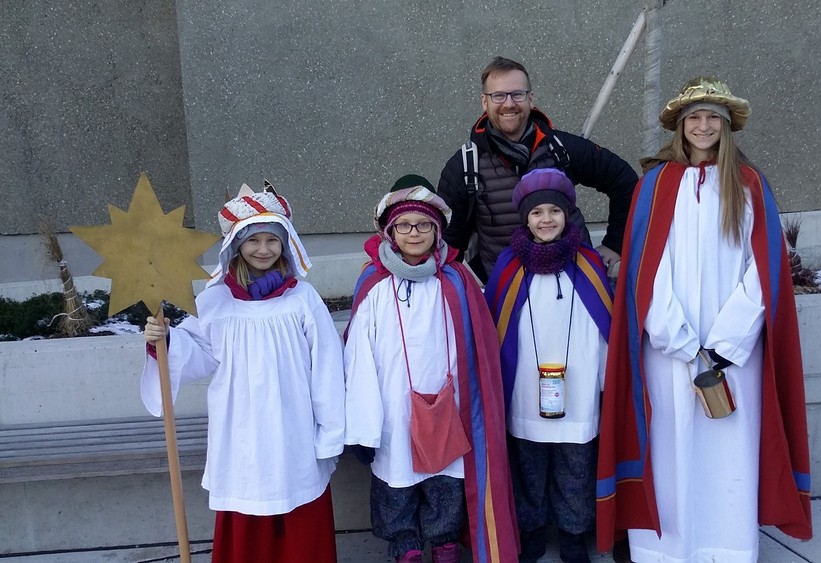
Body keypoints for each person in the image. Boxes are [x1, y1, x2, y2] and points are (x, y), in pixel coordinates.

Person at [594, 77, 813, 562]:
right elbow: (645, 270)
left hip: (732, 352)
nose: (704, 125)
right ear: (680, 125)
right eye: (695, 117)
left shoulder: (749, 185)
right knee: (668, 447)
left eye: (714, 116)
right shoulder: (654, 186)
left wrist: (725, 344)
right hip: (668, 347)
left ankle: (726, 546)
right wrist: (677, 337)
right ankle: (665, 551)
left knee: (729, 448)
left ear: (727, 125)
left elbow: (763, 271)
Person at [141, 184, 346, 562]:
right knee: (247, 506)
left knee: (299, 510)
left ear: (286, 244)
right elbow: (197, 352)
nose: (263, 249)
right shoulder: (214, 301)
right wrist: (165, 340)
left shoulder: (302, 299)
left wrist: (330, 430)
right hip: (240, 434)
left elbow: (327, 367)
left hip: (293, 430)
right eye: (253, 240)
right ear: (235, 244)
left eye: (272, 240)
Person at [343, 175, 519, 563]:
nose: (414, 233)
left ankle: (444, 542)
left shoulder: (457, 279)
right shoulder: (374, 283)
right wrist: (363, 419)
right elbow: (358, 355)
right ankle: (404, 545)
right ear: (390, 231)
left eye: (424, 224)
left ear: (437, 230)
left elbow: (478, 344)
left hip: (447, 402)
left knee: (446, 478)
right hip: (392, 404)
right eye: (404, 225)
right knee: (396, 477)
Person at [483, 168, 612, 563]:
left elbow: (604, 325)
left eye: (554, 211)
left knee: (576, 464)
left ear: (566, 215)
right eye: (536, 212)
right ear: (525, 219)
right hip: (525, 387)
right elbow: (494, 330)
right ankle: (532, 531)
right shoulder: (508, 267)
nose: (546, 220)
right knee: (529, 464)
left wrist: (605, 379)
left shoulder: (588, 264)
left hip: (579, 385)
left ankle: (573, 534)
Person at [436, 56, 638, 282]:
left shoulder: (561, 148)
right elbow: (448, 241)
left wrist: (615, 244)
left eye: (517, 94)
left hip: (576, 282)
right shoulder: (466, 164)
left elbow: (625, 182)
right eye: (498, 95)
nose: (509, 104)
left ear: (530, 99)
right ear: (484, 102)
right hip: (508, 291)